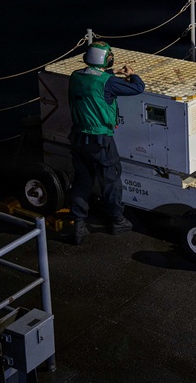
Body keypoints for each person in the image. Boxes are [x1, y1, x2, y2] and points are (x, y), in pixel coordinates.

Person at [66, 41, 145, 245]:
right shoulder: (108, 82)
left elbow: (93, 78)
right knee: (111, 180)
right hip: (100, 141)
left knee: (82, 181)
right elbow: (137, 88)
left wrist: (109, 71)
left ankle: (78, 224)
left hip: (77, 138)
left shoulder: (75, 76)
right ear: (107, 59)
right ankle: (117, 220)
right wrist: (131, 74)